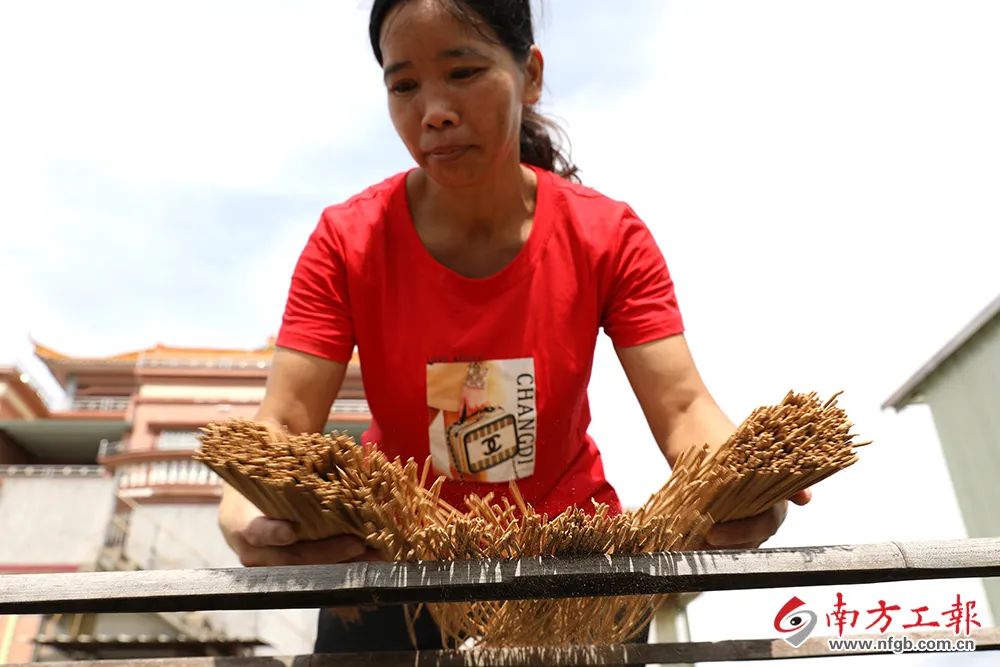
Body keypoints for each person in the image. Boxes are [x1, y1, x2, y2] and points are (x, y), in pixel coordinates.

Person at [217, 0, 811, 653]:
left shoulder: (608, 235)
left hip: (572, 570)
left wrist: (743, 481)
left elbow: (683, 407)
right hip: (393, 569)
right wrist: (244, 505)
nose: (434, 111)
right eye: (404, 85)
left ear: (530, 75)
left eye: (463, 72)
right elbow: (284, 420)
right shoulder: (347, 241)